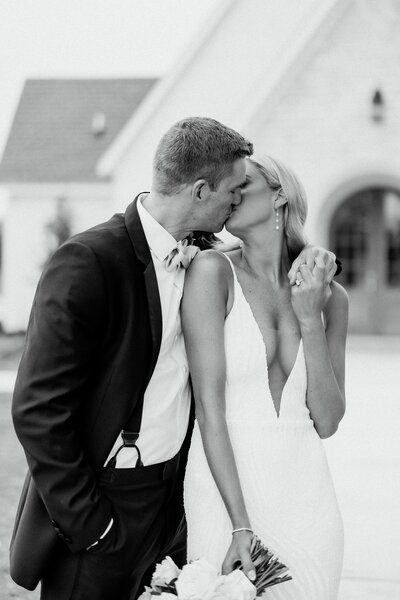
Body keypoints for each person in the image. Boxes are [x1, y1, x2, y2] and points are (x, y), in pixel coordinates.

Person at [10, 118, 337, 600]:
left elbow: (272, 260)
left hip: (177, 506)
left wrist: (313, 262)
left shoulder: (202, 252)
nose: (235, 203)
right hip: (104, 505)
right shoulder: (89, 261)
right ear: (202, 191)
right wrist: (93, 525)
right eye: (232, 190)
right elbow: (38, 411)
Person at [183, 155, 348, 600]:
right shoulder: (211, 273)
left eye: (243, 184)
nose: (230, 194)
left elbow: (328, 421)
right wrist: (240, 523)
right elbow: (208, 412)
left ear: (279, 196)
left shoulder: (332, 297)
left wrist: (310, 319)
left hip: (306, 499)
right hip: (223, 495)